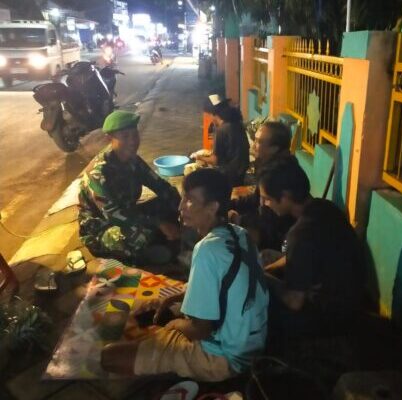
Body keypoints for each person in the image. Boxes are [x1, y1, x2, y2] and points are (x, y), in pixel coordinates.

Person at [101, 168, 269, 381]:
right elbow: (225, 285)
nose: (181, 206)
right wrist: (176, 297)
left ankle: (175, 373)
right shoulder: (239, 233)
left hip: (226, 358)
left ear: (212, 207)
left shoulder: (206, 250)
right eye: (183, 197)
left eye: (189, 200)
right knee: (165, 307)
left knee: (109, 357)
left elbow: (200, 330)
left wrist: (174, 326)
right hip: (253, 344)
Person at [258, 157, 364, 342]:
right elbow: (300, 255)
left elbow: (294, 301)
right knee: (266, 257)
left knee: (259, 302)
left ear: (285, 196)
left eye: (267, 199)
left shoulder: (300, 234)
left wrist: (263, 278)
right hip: (353, 299)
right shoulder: (325, 207)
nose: (264, 204)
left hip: (330, 317)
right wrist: (269, 269)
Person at [78, 110, 181, 266]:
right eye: (125, 136)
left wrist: (185, 209)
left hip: (129, 212)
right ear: (109, 139)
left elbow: (160, 186)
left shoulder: (132, 160)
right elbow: (115, 215)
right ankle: (141, 256)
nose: (133, 141)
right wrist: (159, 223)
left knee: (168, 202)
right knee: (139, 235)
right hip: (102, 228)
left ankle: (161, 241)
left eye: (135, 135)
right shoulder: (99, 172)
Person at [228, 120, 296, 250]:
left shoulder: (279, 175)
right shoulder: (269, 166)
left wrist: (237, 219)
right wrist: (229, 204)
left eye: (259, 142)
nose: (253, 145)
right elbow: (256, 198)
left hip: (276, 245)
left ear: (274, 148)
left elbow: (269, 225)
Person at [192, 95, 249, 186]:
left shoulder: (221, 130)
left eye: (209, 115)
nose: (209, 119)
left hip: (229, 175)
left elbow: (215, 161)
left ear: (214, 114)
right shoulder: (237, 123)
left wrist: (198, 157)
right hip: (241, 170)